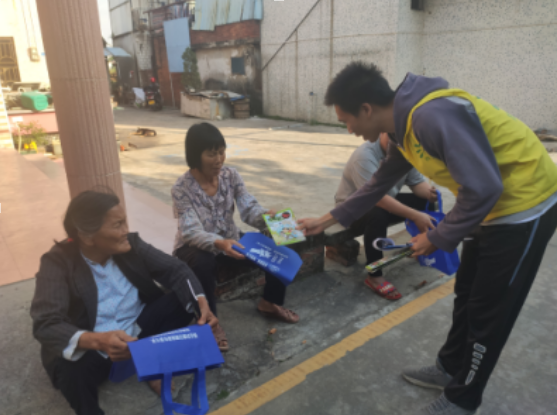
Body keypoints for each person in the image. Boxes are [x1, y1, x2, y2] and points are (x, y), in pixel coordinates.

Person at [297, 62, 557, 415]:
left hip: (525, 206)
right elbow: (376, 186)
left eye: (347, 120)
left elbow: (485, 188)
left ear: (366, 109)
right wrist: (324, 220)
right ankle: (448, 368)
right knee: (467, 293)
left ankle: (462, 400)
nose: (348, 130)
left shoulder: (430, 117)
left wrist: (437, 237)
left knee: (488, 311)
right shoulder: (402, 130)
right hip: (488, 209)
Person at [30, 190, 217, 415]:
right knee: (70, 372)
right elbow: (46, 323)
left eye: (125, 221)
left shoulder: (131, 244)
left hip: (140, 328)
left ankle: (150, 361)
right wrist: (99, 341)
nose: (125, 231)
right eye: (117, 225)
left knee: (186, 297)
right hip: (97, 344)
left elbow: (176, 269)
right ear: (87, 236)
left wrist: (202, 305)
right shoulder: (58, 262)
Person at [172, 123, 299, 352]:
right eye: (211, 154)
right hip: (195, 247)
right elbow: (190, 231)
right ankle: (211, 323)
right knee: (203, 261)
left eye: (221, 152)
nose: (219, 159)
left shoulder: (230, 175)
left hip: (231, 239)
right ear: (195, 155)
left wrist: (269, 217)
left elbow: (248, 208)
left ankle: (269, 302)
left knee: (277, 240)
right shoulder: (181, 188)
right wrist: (219, 243)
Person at [331, 131, 437, 300]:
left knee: (426, 203)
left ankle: (420, 246)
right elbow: (376, 199)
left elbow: (417, 183)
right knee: (377, 212)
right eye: (393, 135)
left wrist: (430, 193)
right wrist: (415, 215)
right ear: (381, 131)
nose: (398, 141)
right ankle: (374, 275)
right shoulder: (364, 156)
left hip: (385, 202)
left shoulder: (404, 152)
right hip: (352, 211)